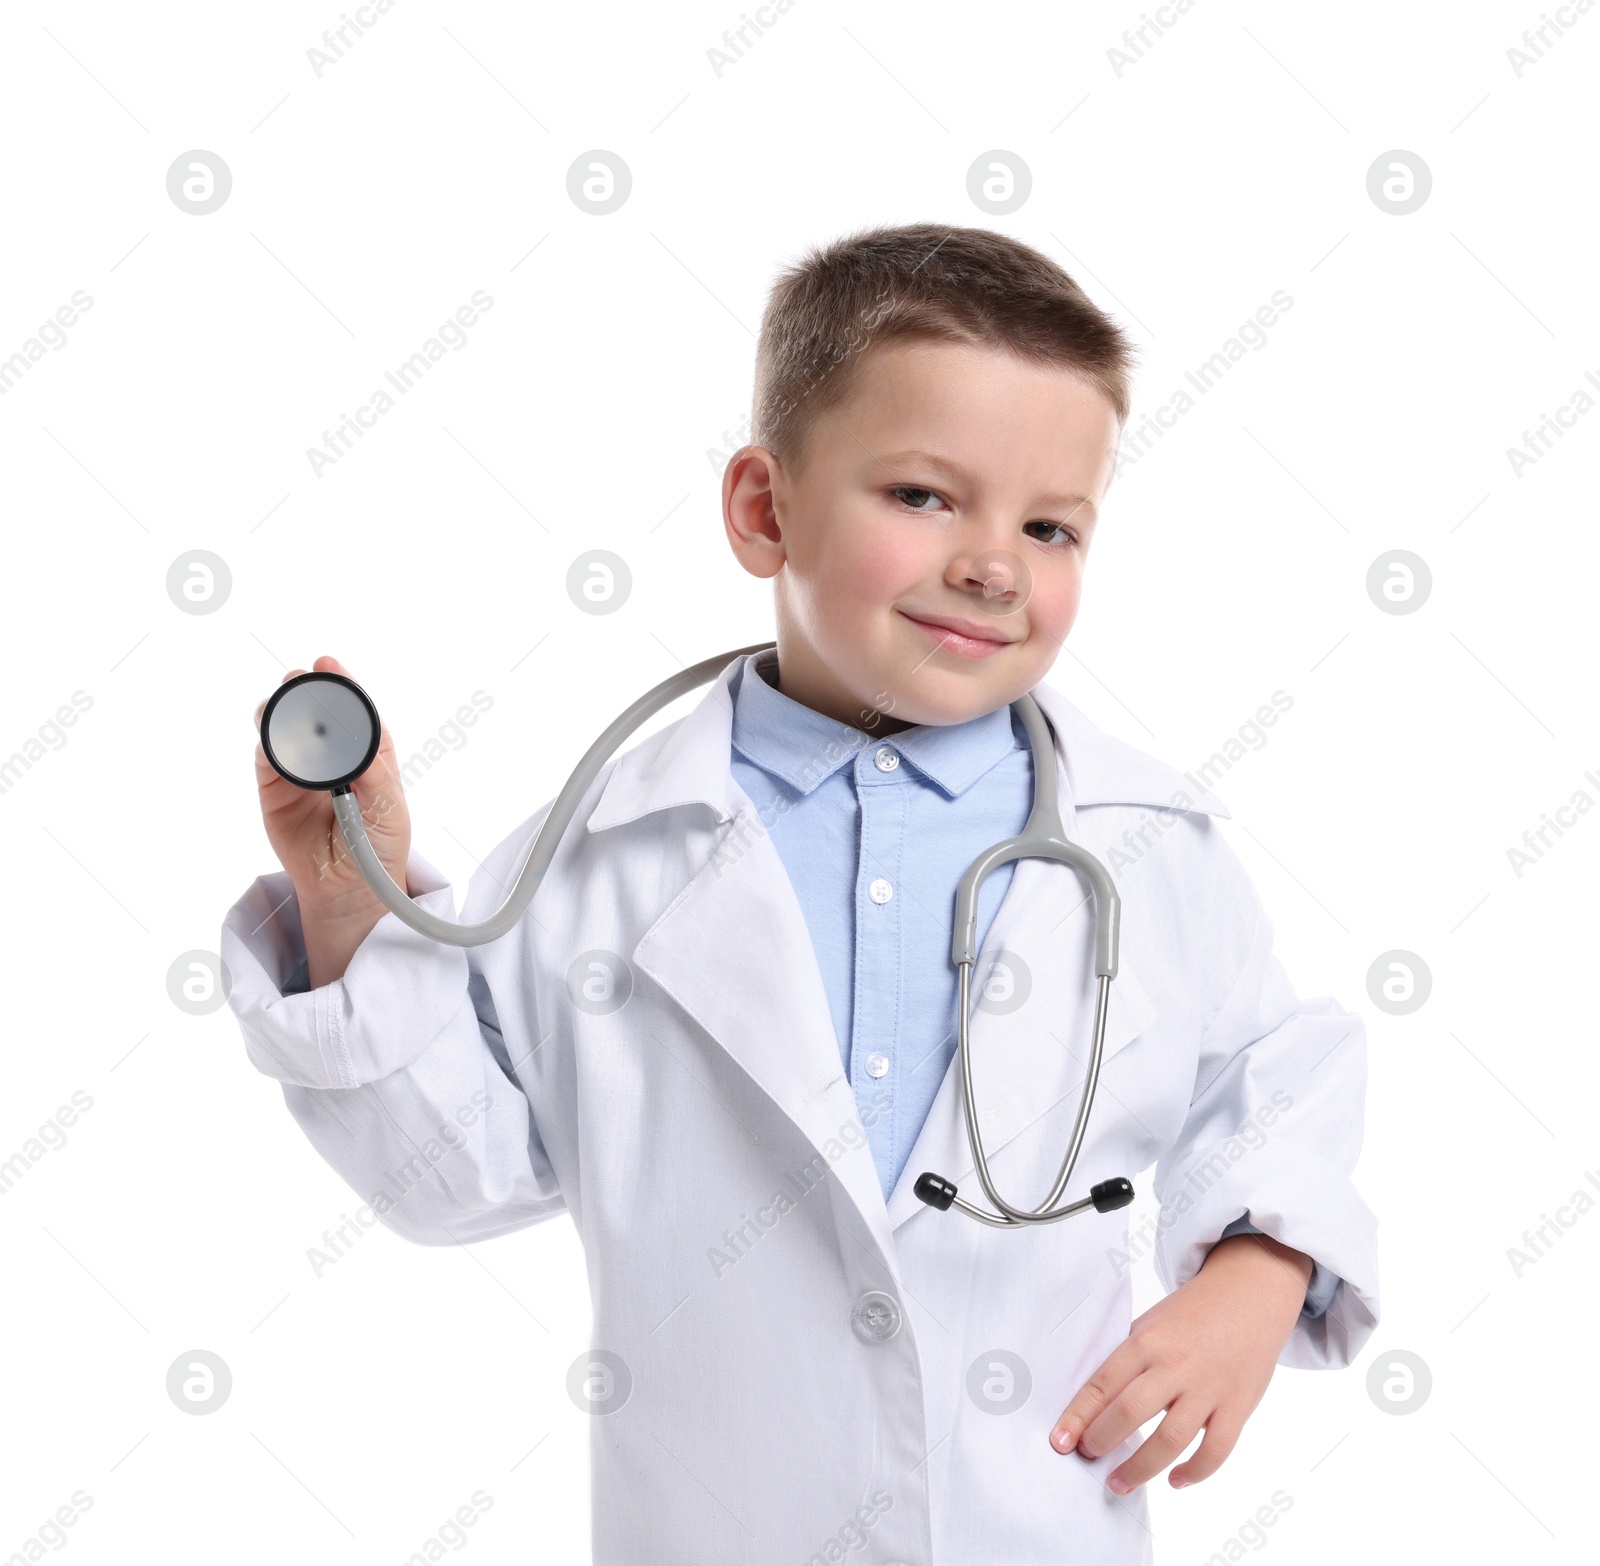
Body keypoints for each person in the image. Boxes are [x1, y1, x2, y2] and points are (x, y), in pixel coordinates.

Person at [221, 223, 1378, 1565]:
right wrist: (342, 895)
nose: (996, 563)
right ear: (764, 510)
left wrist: (1257, 1269)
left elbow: (1273, 1071)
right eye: (925, 497)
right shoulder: (603, 851)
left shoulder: (1149, 849)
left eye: (1050, 525)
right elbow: (448, 1174)